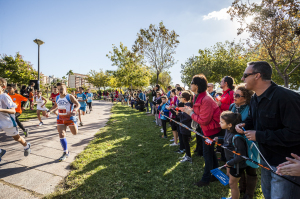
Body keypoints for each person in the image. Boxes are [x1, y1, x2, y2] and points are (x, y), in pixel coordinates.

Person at [235, 61, 300, 199]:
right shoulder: (254, 98)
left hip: (286, 164)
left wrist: (259, 136)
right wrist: (243, 125)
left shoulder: (287, 98)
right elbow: (252, 120)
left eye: (245, 75)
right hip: (264, 159)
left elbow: (295, 133)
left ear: (257, 75)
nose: (242, 79)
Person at [182, 74, 221, 187]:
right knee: (210, 153)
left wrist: (190, 113)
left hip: (211, 131)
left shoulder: (206, 99)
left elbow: (204, 120)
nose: (190, 85)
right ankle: (216, 175)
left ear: (197, 86)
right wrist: (191, 111)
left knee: (207, 154)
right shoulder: (198, 96)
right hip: (206, 130)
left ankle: (206, 179)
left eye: (191, 83)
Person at [229, 84, 257, 198]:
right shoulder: (232, 106)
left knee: (251, 168)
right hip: (235, 142)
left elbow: (254, 124)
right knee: (240, 165)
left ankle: (249, 194)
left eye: (237, 95)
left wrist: (244, 130)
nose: (234, 97)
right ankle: (242, 187)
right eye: (234, 94)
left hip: (249, 142)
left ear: (245, 97)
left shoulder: (251, 108)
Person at [214, 111, 247, 199]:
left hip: (236, 165)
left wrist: (230, 163)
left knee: (233, 184)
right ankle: (233, 196)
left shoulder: (237, 138)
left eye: (221, 122)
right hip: (231, 162)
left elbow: (241, 155)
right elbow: (226, 141)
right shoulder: (227, 131)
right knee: (229, 178)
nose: (219, 123)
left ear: (229, 125)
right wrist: (219, 139)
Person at [47, 84, 80, 161]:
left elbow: (77, 104)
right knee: (61, 134)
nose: (60, 91)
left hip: (70, 118)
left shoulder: (69, 96)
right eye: (58, 89)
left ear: (66, 89)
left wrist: (75, 110)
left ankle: (76, 121)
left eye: (61, 89)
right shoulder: (57, 97)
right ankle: (66, 152)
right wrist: (49, 111)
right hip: (60, 118)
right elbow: (55, 106)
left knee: (75, 133)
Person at [0, 77, 31, 161]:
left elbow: (13, 111)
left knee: (16, 138)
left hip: (8, 122)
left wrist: (1, 110)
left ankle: (26, 146)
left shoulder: (4, 96)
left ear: (3, 87)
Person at [177, 91, 193, 163]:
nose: (179, 98)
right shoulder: (186, 105)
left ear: (184, 98)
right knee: (184, 141)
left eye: (180, 97)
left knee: (186, 142)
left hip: (186, 126)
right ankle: (187, 154)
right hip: (184, 126)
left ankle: (189, 157)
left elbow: (187, 117)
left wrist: (179, 114)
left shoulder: (188, 105)